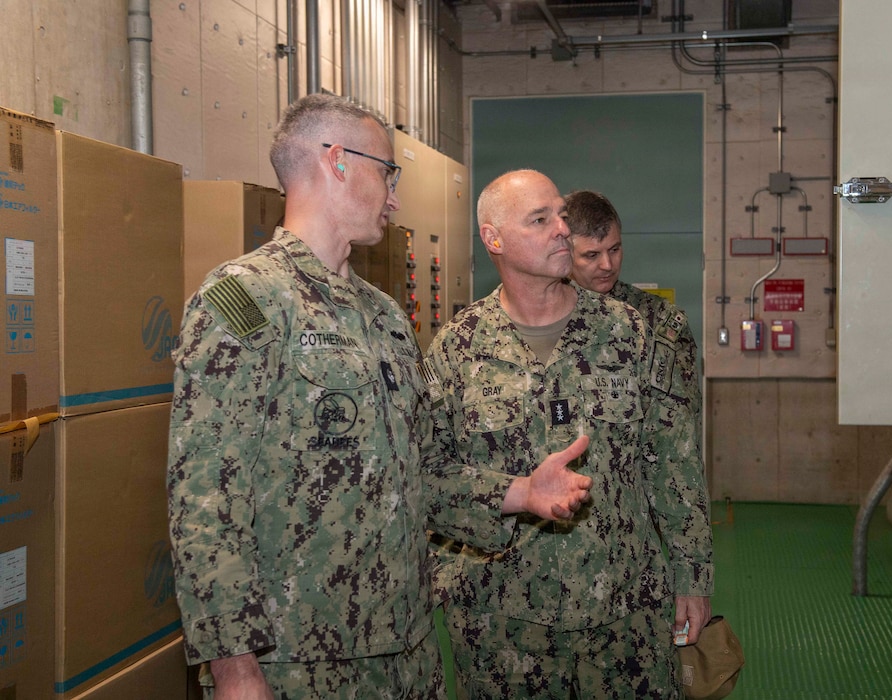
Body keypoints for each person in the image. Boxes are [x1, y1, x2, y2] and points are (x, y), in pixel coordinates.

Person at [167, 96, 592, 700]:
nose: (395, 197)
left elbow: (415, 474)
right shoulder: (244, 302)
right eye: (388, 173)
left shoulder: (384, 316)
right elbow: (206, 502)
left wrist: (522, 491)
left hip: (407, 651)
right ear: (337, 161)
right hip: (297, 661)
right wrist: (235, 668)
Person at [423, 170, 714, 699]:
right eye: (540, 219)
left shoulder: (629, 331)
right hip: (502, 623)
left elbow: (675, 462)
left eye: (560, 214)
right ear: (493, 239)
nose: (561, 228)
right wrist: (515, 494)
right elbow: (429, 478)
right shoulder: (457, 349)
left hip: (626, 613)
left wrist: (693, 576)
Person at [564, 188, 702, 423]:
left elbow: (677, 423)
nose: (607, 264)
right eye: (592, 255)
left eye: (614, 250)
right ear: (564, 252)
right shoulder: (543, 316)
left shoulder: (657, 320)